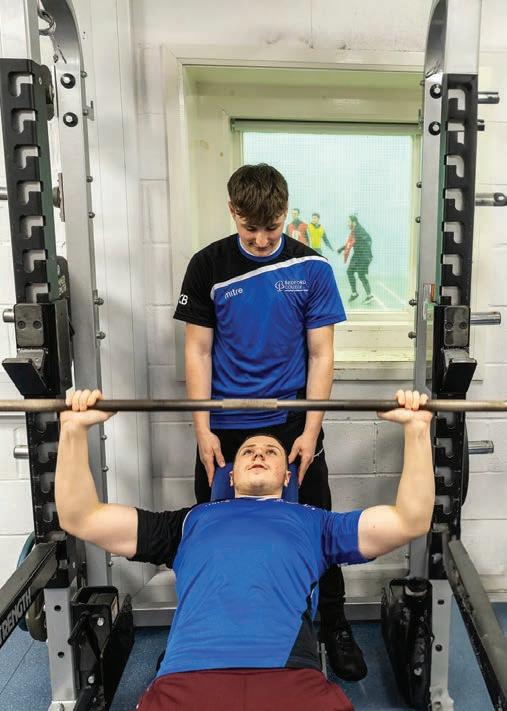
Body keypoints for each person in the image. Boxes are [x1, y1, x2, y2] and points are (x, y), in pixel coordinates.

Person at [55, 388, 434, 711]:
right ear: (231, 475)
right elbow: (81, 517)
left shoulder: (316, 523)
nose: (258, 454)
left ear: (287, 476)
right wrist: (72, 431)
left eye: (271, 451)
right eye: (248, 450)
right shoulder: (188, 522)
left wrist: (417, 431)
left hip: (290, 679)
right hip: (189, 675)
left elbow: (410, 521)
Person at [173, 163, 365, 680]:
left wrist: (310, 430)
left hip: (292, 421)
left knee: (318, 524)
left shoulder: (313, 268)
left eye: (271, 228)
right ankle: (202, 629)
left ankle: (334, 623)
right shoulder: (207, 265)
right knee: (212, 528)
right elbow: (198, 352)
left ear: (285, 212)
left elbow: (321, 355)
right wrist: (202, 429)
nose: (260, 239)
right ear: (232, 211)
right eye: (249, 228)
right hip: (224, 424)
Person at [337, 215, 373, 303]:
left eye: (349, 222)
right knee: (349, 272)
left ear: (354, 222)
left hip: (363, 256)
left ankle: (369, 296)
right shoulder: (354, 231)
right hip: (357, 255)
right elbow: (350, 243)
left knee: (361, 275)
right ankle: (354, 293)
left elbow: (369, 239)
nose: (347, 224)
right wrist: (341, 249)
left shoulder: (359, 230)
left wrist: (366, 251)